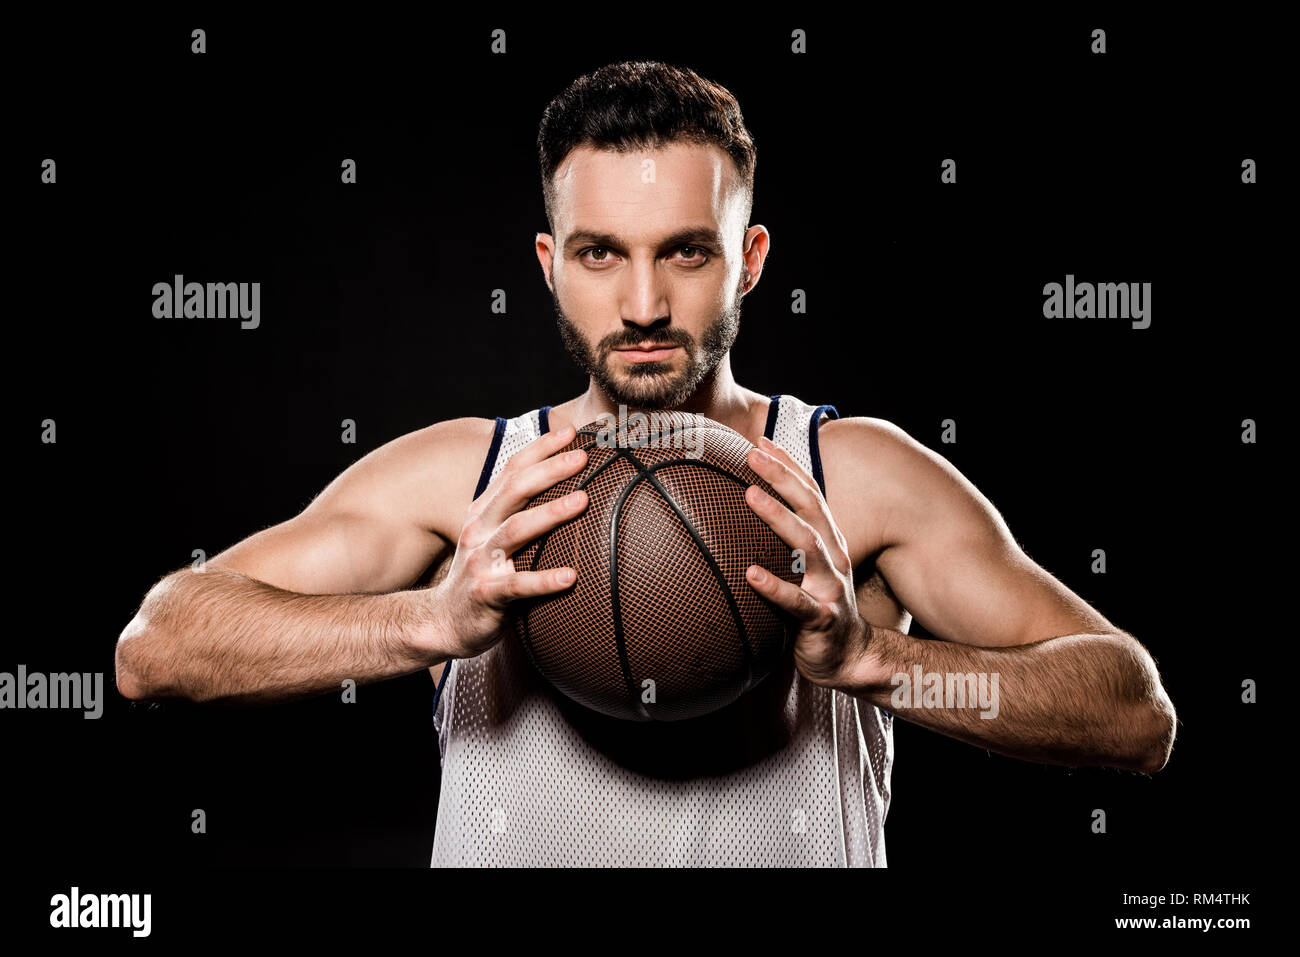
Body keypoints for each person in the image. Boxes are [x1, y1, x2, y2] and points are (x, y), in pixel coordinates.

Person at [115, 60, 1176, 867]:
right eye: (599, 254)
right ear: (549, 265)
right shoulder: (465, 482)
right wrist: (427, 622)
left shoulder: (852, 478)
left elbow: (1134, 713)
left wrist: (875, 662)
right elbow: (154, 651)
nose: (642, 307)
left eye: (685, 249)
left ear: (748, 259)